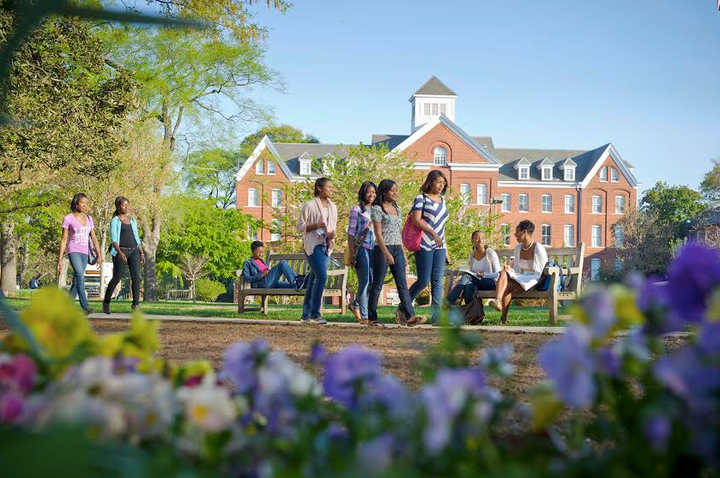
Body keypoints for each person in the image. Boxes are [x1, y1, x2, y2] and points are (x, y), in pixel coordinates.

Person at [368, 179, 425, 327]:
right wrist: (386, 253)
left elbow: (397, 232)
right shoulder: (377, 209)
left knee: (402, 284)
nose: (395, 193)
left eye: (396, 190)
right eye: (392, 190)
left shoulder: (397, 208)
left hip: (397, 248)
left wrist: (403, 253)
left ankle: (410, 316)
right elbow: (378, 233)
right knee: (378, 285)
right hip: (382, 248)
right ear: (384, 192)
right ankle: (372, 318)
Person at [408, 170, 450, 325]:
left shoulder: (443, 200)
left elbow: (442, 226)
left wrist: (446, 249)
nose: (441, 185)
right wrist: (432, 234)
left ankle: (437, 318)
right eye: (438, 182)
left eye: (443, 183)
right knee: (424, 281)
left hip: (440, 246)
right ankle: (403, 307)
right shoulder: (421, 198)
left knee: (438, 281)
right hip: (424, 243)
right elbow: (416, 220)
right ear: (430, 181)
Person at [488, 220, 548, 323]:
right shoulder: (518, 248)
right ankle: (498, 302)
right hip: (520, 277)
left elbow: (542, 271)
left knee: (507, 286)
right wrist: (510, 270)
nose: (515, 235)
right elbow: (516, 269)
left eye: (517, 232)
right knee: (503, 273)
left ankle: (503, 318)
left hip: (533, 280)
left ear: (524, 232)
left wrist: (520, 276)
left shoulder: (538, 248)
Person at [297, 177, 338, 325]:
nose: (331, 190)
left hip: (326, 246)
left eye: (332, 187)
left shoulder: (333, 207)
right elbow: (300, 227)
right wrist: (316, 226)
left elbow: (333, 227)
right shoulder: (309, 205)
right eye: (329, 187)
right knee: (322, 276)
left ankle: (305, 314)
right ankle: (316, 314)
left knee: (314, 280)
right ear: (319, 188)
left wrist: (331, 234)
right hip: (313, 246)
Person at [58, 193, 103, 315]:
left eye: (87, 203)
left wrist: (99, 255)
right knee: (79, 275)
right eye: (83, 202)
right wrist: (60, 259)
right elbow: (63, 240)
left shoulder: (89, 219)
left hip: (85, 252)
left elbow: (94, 238)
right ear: (76, 203)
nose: (85, 205)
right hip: (73, 250)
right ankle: (85, 306)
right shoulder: (68, 218)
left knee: (77, 281)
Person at [103, 196, 143, 314]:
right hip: (120, 250)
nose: (126, 207)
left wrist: (141, 252)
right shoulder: (115, 220)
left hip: (134, 251)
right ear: (118, 206)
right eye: (123, 205)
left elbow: (136, 238)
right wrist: (119, 253)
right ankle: (106, 302)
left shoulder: (132, 220)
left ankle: (135, 305)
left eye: (127, 205)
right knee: (117, 277)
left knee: (136, 277)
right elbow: (114, 239)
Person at [445, 230, 501, 314]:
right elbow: (470, 271)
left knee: (468, 277)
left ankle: (448, 301)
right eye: (477, 238)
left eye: (482, 238)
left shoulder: (490, 253)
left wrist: (484, 275)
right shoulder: (472, 255)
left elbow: (498, 274)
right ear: (472, 240)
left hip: (490, 283)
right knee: (468, 286)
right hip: (476, 282)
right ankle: (471, 315)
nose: (480, 241)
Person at [347, 181, 376, 325]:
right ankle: (365, 316)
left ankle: (356, 304)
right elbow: (351, 233)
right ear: (363, 193)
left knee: (373, 282)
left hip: (374, 249)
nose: (372, 195)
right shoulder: (356, 209)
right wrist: (352, 253)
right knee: (364, 282)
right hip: (361, 248)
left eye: (374, 192)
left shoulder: (376, 210)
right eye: (369, 192)